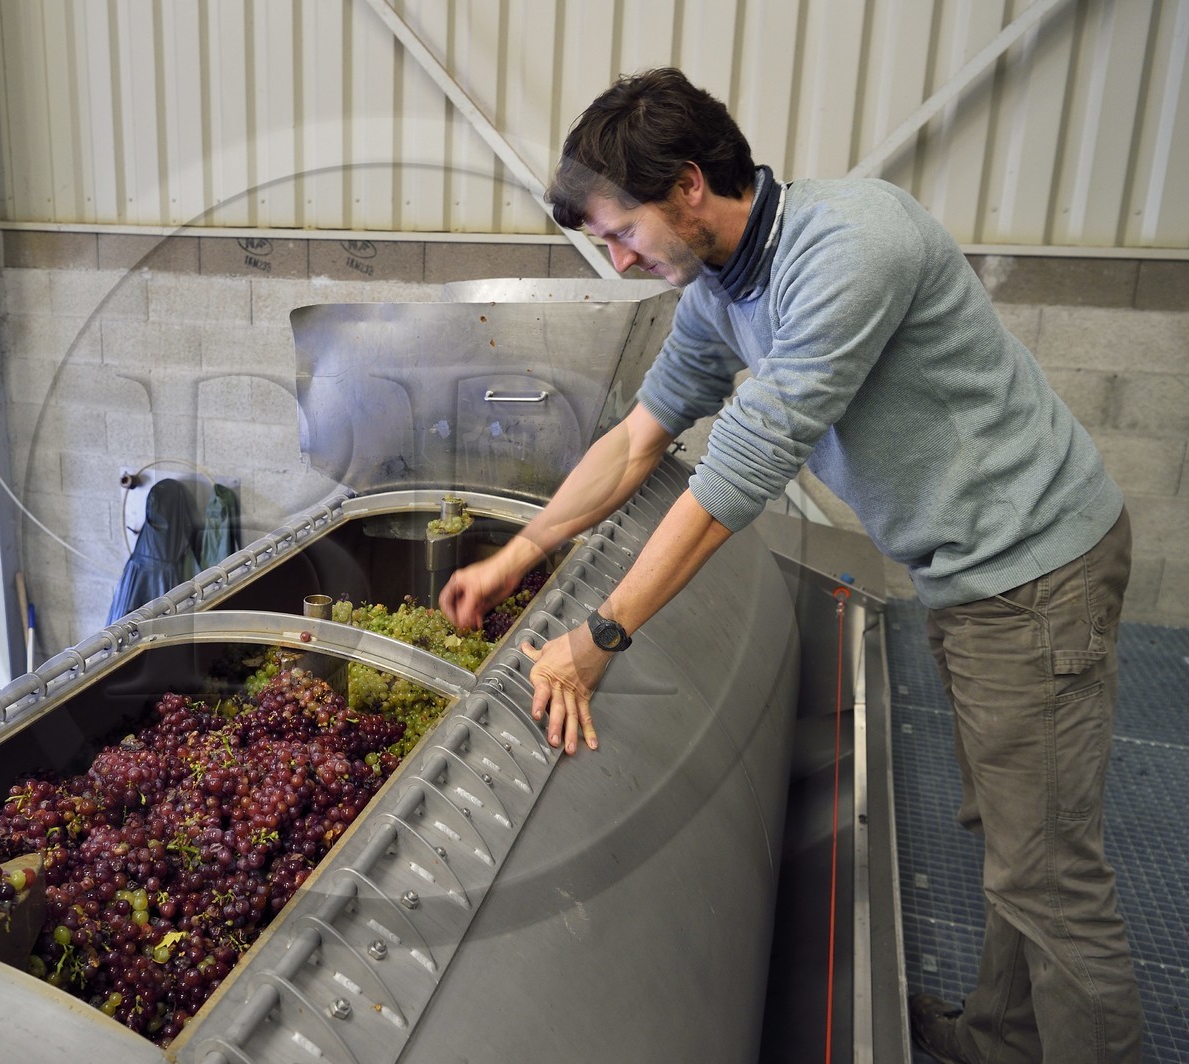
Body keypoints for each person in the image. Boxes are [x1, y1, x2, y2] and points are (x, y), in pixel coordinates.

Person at [438, 67, 1141, 1063]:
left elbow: (737, 474)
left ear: (688, 187)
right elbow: (639, 438)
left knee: (1048, 875)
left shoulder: (849, 248)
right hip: (969, 575)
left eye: (620, 230)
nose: (619, 258)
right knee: (1015, 842)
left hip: (1032, 574)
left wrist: (598, 636)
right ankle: (1003, 1039)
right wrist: (520, 550)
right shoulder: (720, 288)